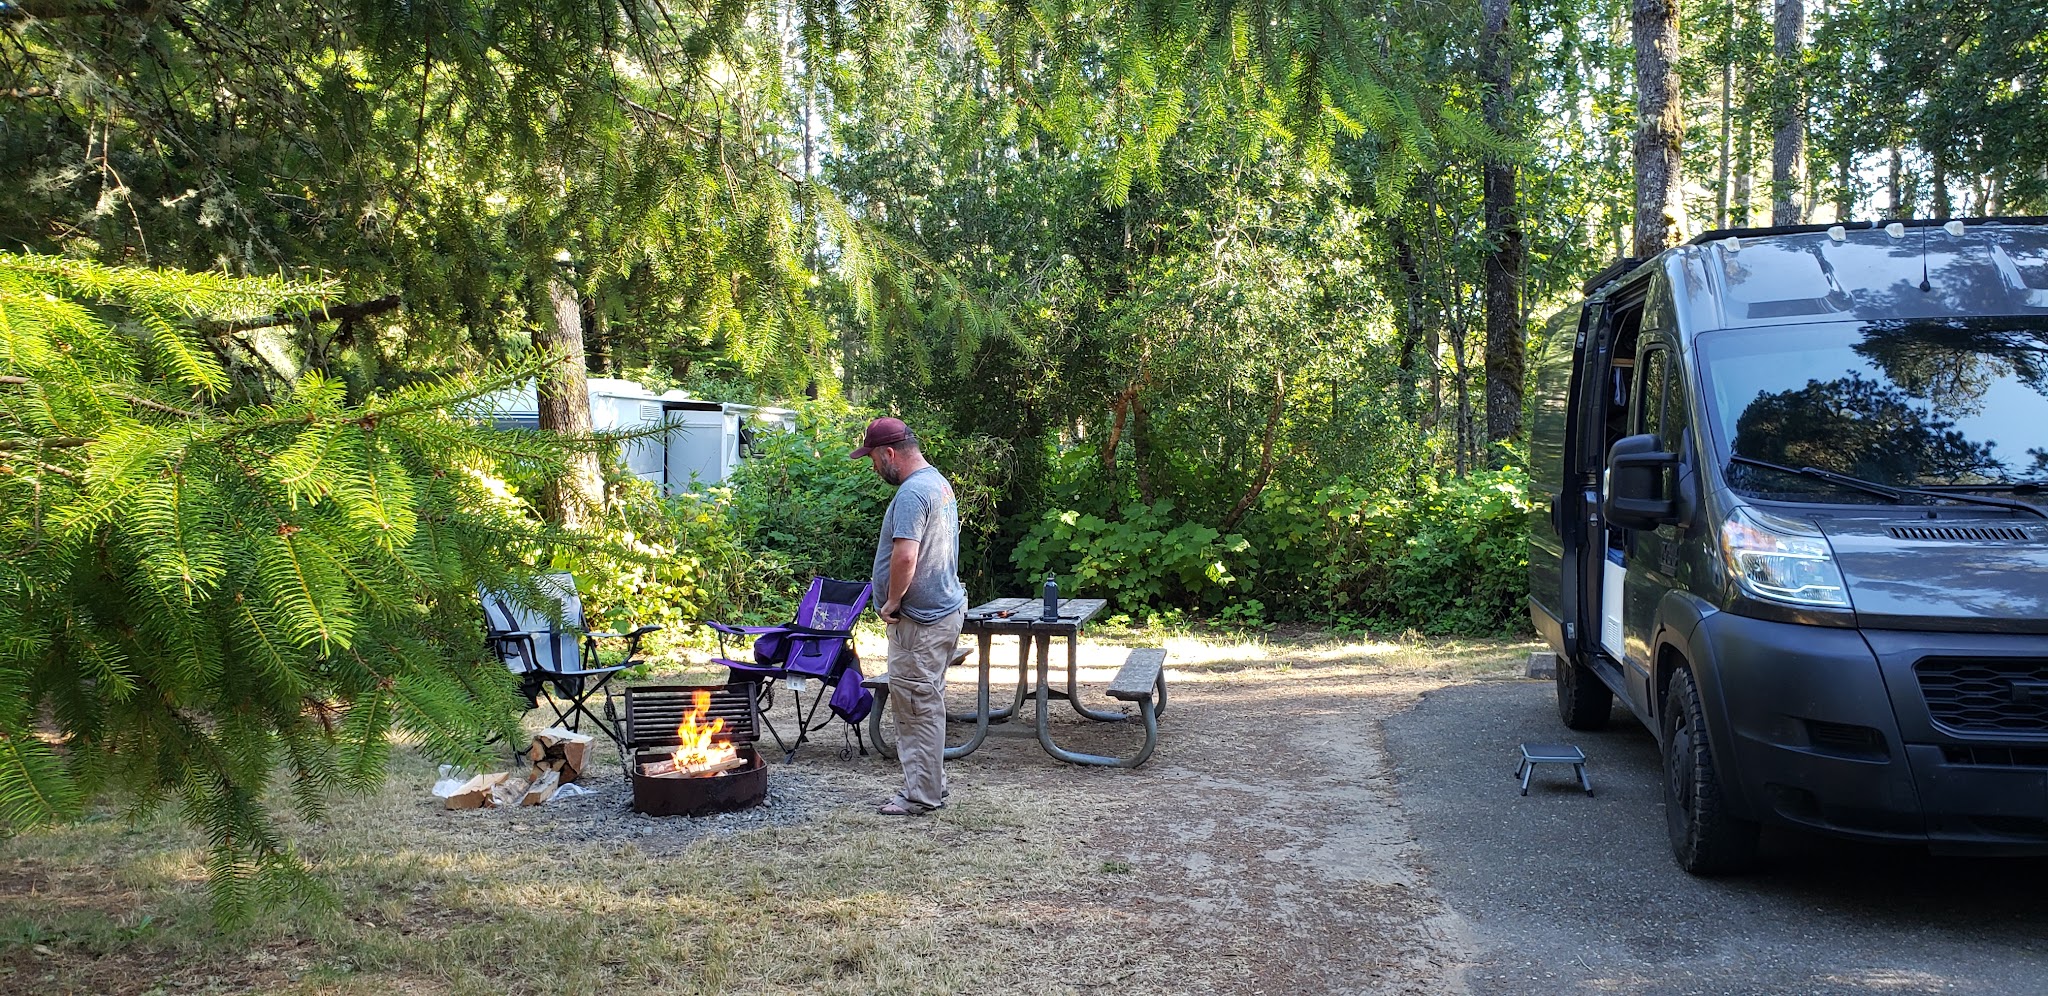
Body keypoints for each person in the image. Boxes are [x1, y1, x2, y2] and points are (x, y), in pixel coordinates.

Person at [850, 416, 967, 816]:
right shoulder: (938, 483)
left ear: (889, 453)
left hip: (921, 621)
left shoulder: (913, 493)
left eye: (873, 459)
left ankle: (920, 795)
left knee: (916, 707)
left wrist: (892, 601)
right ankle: (932, 784)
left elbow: (905, 555)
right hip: (943, 611)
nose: (874, 468)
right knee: (926, 702)